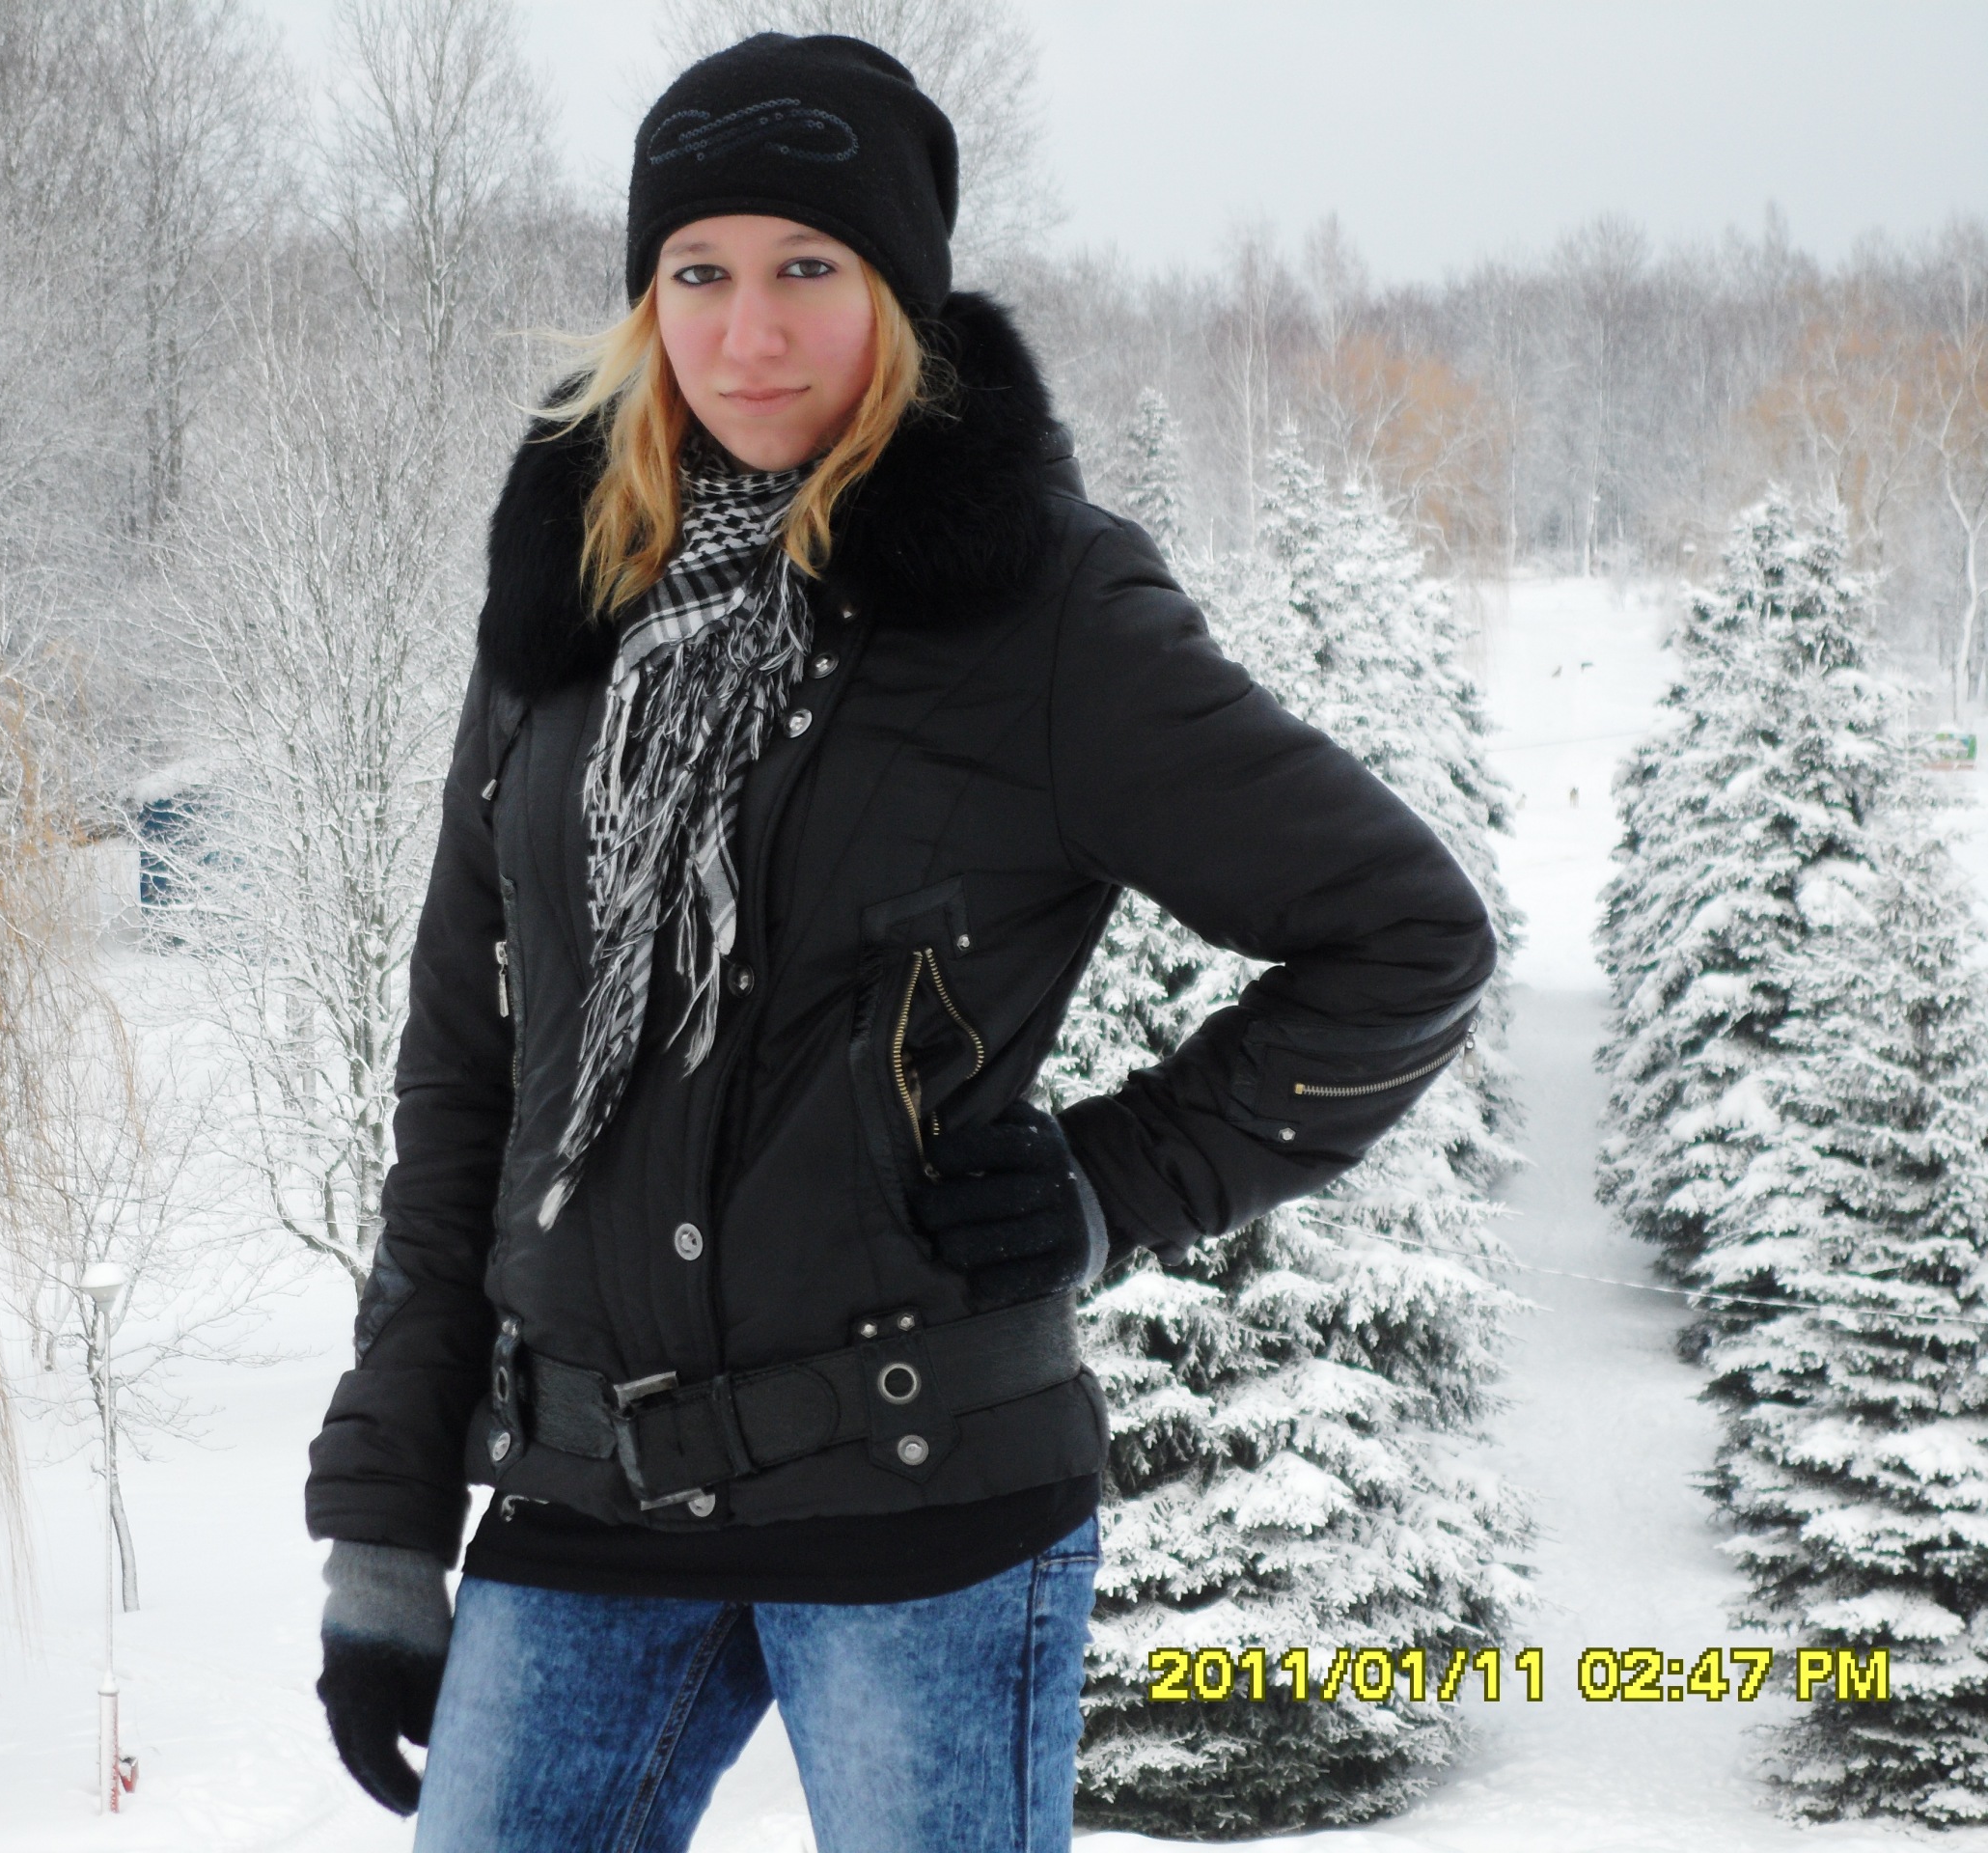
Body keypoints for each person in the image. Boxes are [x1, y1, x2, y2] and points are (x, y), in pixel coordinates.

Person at [305, 31, 1495, 1853]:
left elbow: (1405, 936)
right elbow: (469, 1071)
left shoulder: (1043, 604)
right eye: (697, 272)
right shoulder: (567, 601)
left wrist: (1110, 1184)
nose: (747, 334)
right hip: (584, 1492)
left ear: (901, 296)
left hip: (924, 1499)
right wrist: (387, 1524)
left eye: (808, 267)